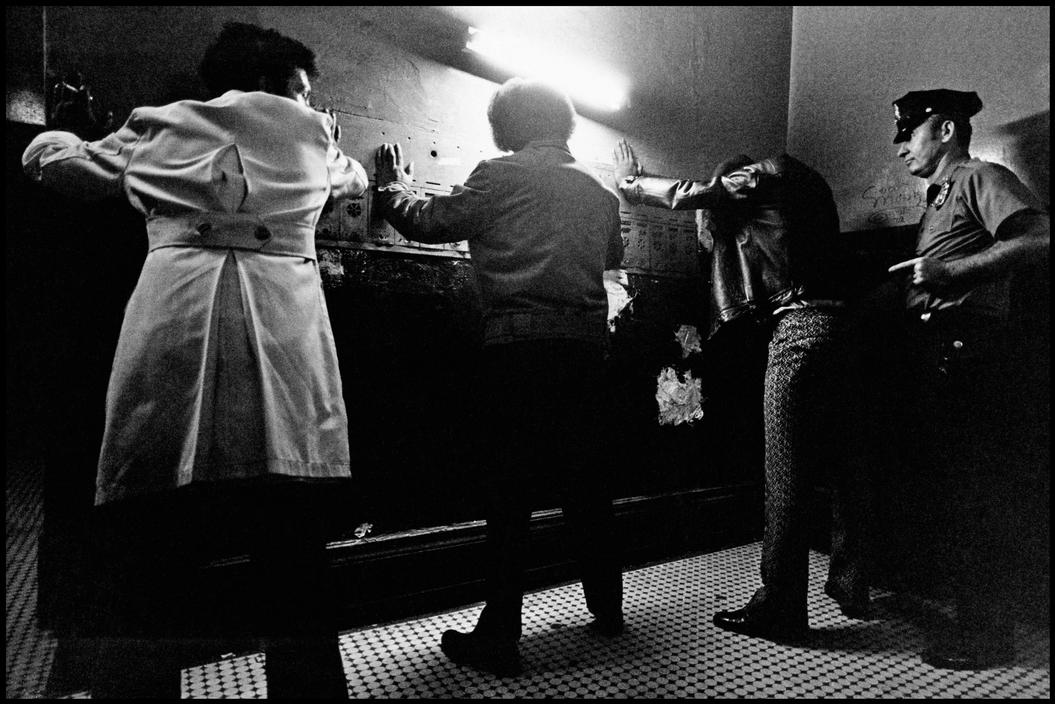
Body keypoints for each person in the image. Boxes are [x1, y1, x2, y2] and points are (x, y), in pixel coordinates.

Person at [22, 21, 368, 698]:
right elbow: (352, 179)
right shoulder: (314, 135)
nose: (305, 103)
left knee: (152, 533)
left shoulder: (158, 126)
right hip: (284, 333)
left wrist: (61, 133)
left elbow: (53, 163)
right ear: (276, 83)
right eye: (301, 90)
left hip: (173, 324)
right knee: (290, 536)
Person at [373, 78, 625, 677]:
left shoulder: (498, 174)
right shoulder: (600, 190)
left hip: (518, 349)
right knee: (586, 483)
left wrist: (392, 187)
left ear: (506, 124)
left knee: (510, 494)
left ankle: (500, 636)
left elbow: (429, 222)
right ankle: (608, 607)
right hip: (587, 351)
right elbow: (611, 262)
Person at [613, 141, 876, 643]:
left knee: (786, 475)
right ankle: (851, 584)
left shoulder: (761, 176)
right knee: (848, 466)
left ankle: (779, 606)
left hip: (801, 330)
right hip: (847, 327)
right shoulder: (804, 191)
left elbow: (697, 192)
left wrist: (631, 184)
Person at [886, 88, 1050, 670]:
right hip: (943, 352)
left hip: (973, 350)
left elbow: (1039, 237)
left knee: (978, 496)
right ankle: (972, 623)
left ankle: (986, 636)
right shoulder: (941, 196)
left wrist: (950, 272)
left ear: (947, 130)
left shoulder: (980, 176)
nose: (901, 146)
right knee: (958, 494)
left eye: (910, 132)